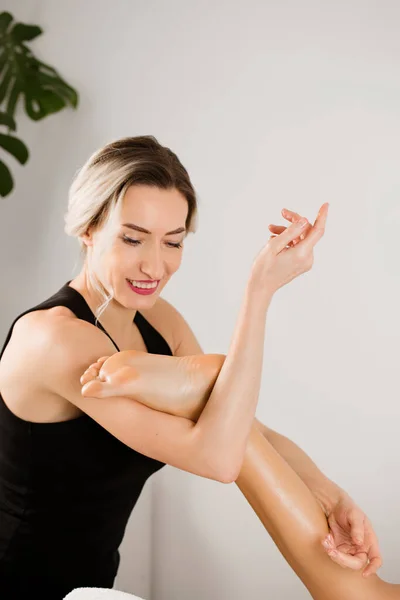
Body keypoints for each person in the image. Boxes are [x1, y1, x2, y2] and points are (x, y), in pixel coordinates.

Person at [0, 135, 375, 599]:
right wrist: (258, 294)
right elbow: (218, 458)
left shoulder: (158, 321)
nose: (154, 265)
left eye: (173, 242)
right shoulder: (53, 338)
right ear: (89, 229)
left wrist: (330, 493)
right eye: (133, 239)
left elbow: (243, 427)